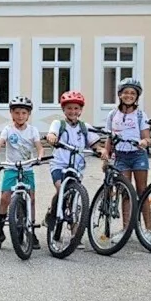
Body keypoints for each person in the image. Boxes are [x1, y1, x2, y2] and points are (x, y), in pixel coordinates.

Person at [0, 96, 46, 250]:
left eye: (24, 113)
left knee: (31, 199)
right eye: (17, 112)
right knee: (5, 198)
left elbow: (39, 147)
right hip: (11, 168)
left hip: (27, 168)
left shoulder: (33, 130)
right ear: (11, 113)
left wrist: (39, 156)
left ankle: (31, 231)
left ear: (28, 114)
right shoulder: (8, 130)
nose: (20, 116)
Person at [45, 90, 105, 231]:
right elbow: (52, 133)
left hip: (76, 167)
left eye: (76, 108)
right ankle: (53, 213)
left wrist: (100, 150)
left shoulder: (85, 127)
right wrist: (52, 137)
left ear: (81, 110)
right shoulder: (58, 123)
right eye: (69, 108)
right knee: (61, 188)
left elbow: (95, 144)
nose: (73, 111)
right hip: (59, 164)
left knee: (73, 195)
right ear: (63, 109)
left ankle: (74, 227)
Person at [102, 77, 151, 230]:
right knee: (125, 192)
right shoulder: (112, 115)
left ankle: (148, 230)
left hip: (137, 155)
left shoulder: (140, 115)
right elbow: (110, 137)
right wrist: (105, 153)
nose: (129, 95)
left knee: (142, 191)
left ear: (137, 96)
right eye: (125, 92)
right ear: (119, 94)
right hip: (121, 156)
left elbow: (147, 137)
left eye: (133, 93)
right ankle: (125, 229)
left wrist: (144, 142)